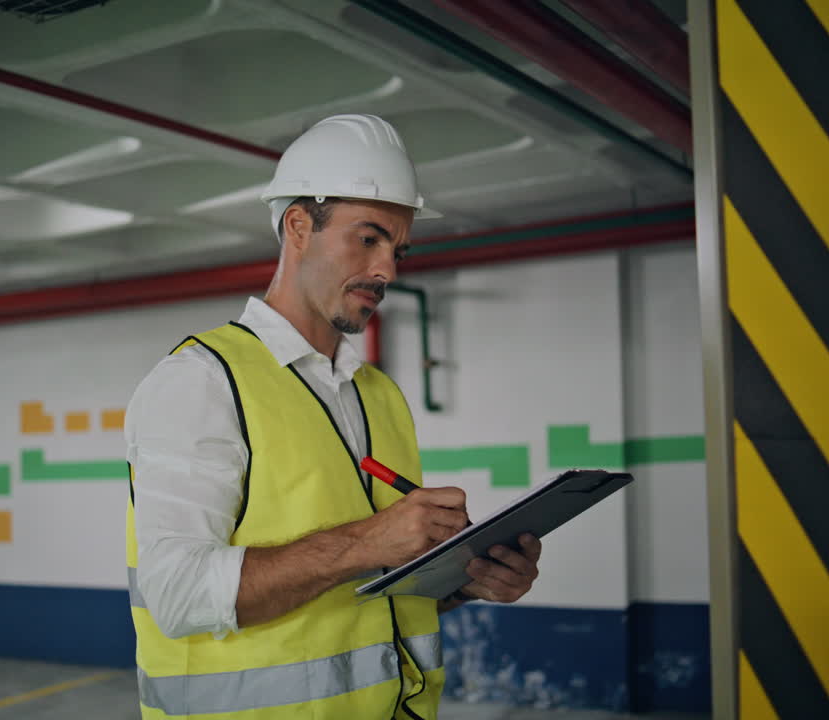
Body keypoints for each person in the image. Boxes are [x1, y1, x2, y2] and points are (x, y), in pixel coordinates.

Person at [124, 114, 542, 719]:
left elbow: (367, 602)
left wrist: (463, 582)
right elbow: (178, 594)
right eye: (368, 239)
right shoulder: (203, 381)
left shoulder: (378, 394)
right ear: (298, 226)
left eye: (397, 250)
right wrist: (367, 541)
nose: (387, 271)